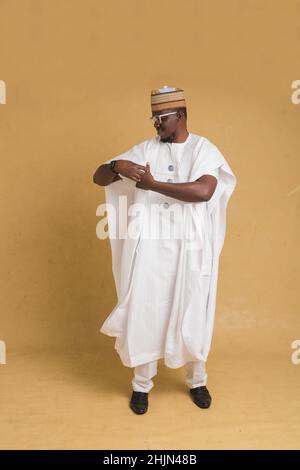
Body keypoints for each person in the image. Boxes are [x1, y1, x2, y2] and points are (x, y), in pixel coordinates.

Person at [93, 86, 237, 414]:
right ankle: (141, 385)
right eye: (154, 117)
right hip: (151, 250)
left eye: (162, 118)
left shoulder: (204, 149)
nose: (156, 123)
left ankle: (197, 380)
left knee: (193, 309)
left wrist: (153, 185)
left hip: (192, 248)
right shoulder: (146, 149)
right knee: (146, 309)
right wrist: (117, 165)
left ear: (181, 116)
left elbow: (204, 191)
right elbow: (98, 177)